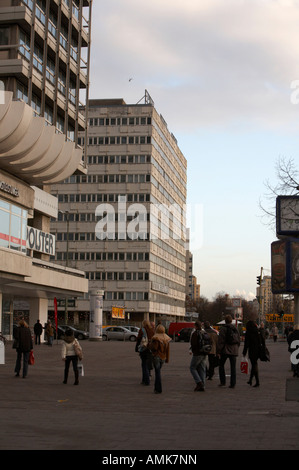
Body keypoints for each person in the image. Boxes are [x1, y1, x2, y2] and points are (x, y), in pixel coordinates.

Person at [217, 315, 240, 389]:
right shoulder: (235, 329)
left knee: (221, 365)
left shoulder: (223, 329)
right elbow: (238, 340)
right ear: (231, 321)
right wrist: (236, 347)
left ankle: (223, 382)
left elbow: (220, 341)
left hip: (225, 350)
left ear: (225, 321)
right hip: (234, 350)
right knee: (233, 367)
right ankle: (233, 383)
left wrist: (218, 351)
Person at [149, 325, 171, 393]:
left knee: (157, 373)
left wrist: (150, 345)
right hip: (163, 357)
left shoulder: (156, 339)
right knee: (158, 372)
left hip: (157, 356)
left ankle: (158, 388)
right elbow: (168, 350)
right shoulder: (166, 339)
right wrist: (167, 359)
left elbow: (154, 348)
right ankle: (157, 388)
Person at [242, 319, 264, 387]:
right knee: (254, 364)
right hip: (258, 350)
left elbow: (246, 344)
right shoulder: (257, 331)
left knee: (254, 365)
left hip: (252, 350)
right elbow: (262, 340)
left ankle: (257, 381)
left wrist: (244, 352)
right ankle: (250, 380)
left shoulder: (248, 332)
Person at [189, 321, 210, 391]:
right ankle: (202, 386)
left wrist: (193, 351)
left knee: (192, 367)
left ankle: (199, 382)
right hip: (205, 352)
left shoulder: (195, 333)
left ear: (195, 326)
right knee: (202, 369)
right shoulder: (204, 332)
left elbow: (193, 344)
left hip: (198, 353)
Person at [135, 320, 155, 386]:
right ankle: (146, 379)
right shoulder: (152, 330)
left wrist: (137, 348)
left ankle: (146, 380)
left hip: (144, 349)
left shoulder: (142, 330)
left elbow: (138, 339)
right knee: (147, 363)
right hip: (150, 349)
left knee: (144, 365)